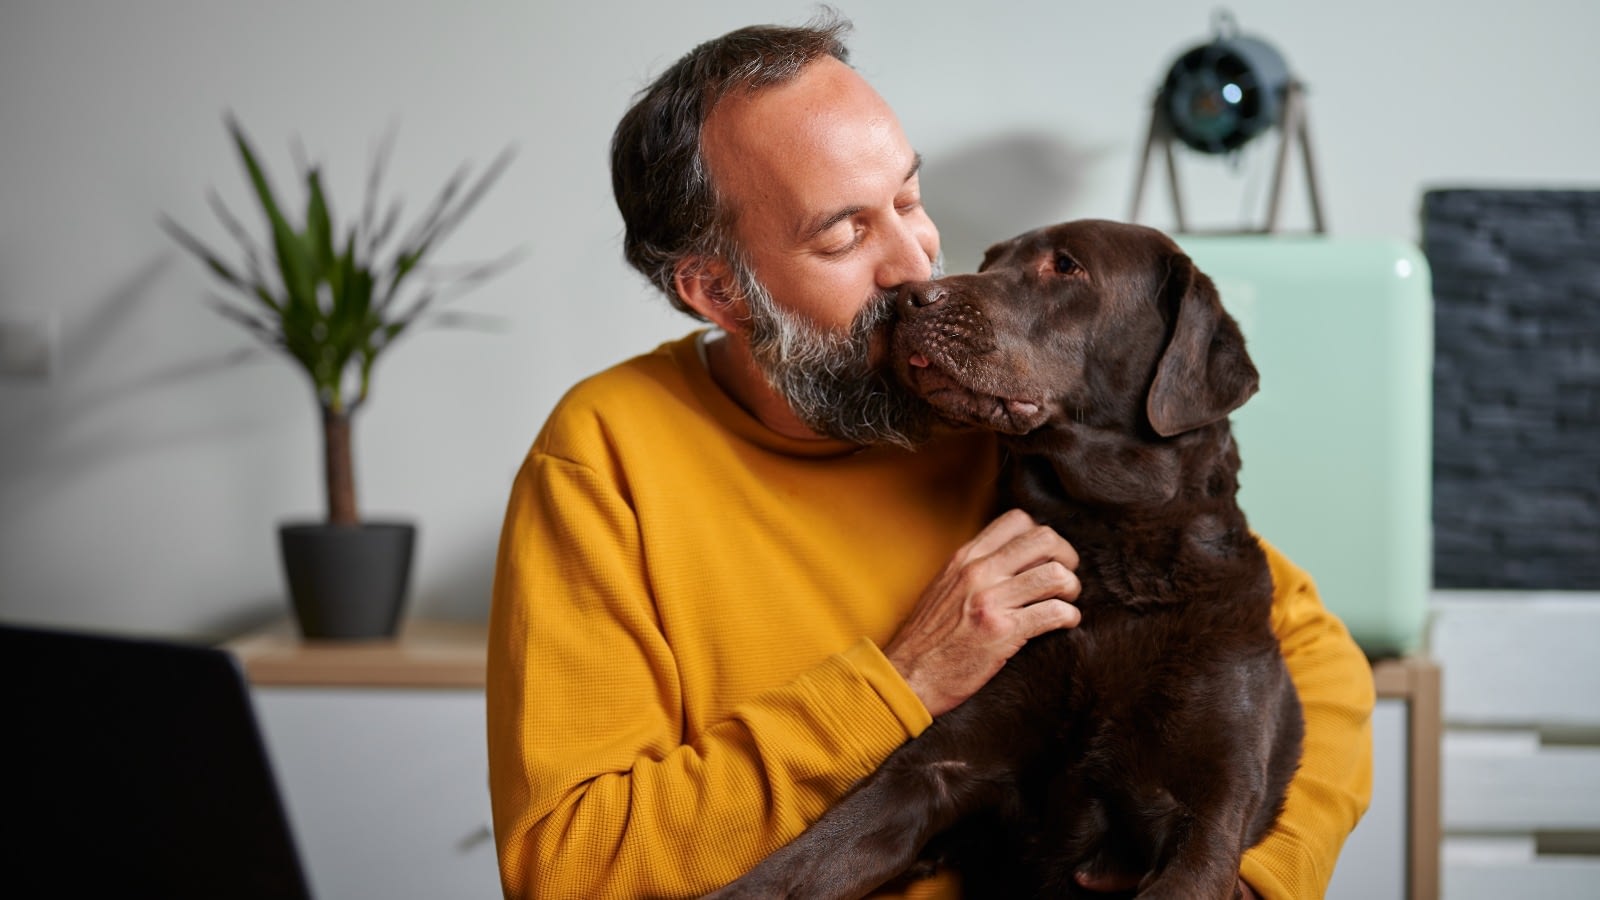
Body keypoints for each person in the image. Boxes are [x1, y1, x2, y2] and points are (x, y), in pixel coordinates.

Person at [486, 13, 1374, 900]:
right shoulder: (605, 459)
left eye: (910, 200)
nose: (915, 268)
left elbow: (1309, 659)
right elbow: (570, 869)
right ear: (719, 290)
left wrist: (1252, 878)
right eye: (843, 235)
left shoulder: (999, 411)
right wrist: (896, 685)